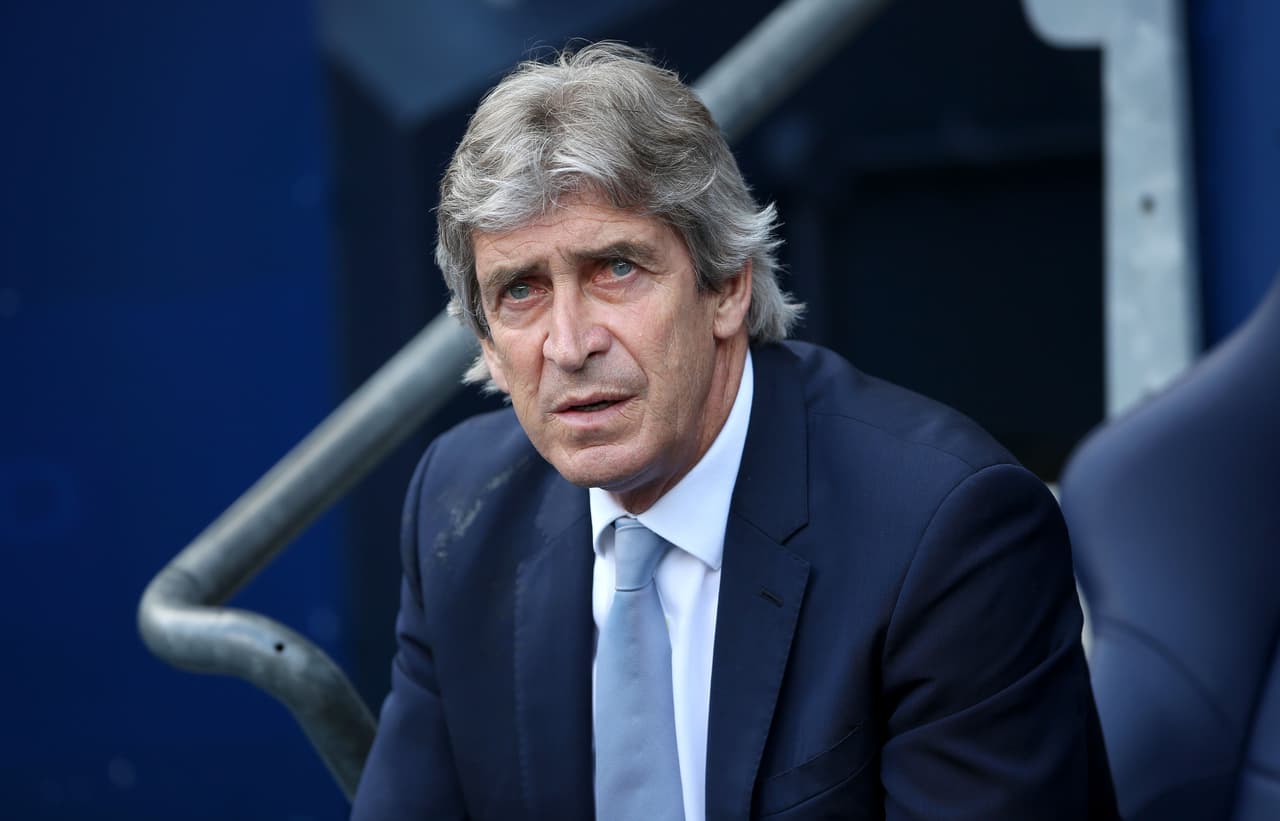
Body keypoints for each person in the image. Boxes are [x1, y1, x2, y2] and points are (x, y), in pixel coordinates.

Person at [352, 42, 1117, 820]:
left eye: (615, 268)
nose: (570, 343)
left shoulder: (947, 533)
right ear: (485, 340)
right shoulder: (461, 506)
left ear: (726, 286)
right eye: (521, 290)